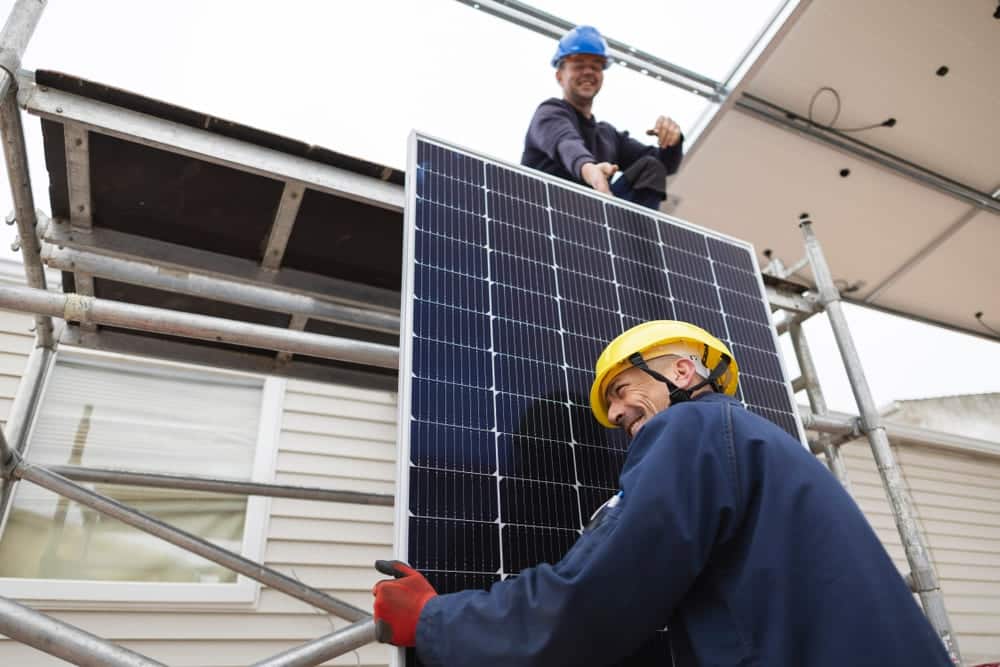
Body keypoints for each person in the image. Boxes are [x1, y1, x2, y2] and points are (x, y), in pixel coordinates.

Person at [373, 320, 955, 666]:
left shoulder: (691, 430)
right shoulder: (761, 446)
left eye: (623, 389)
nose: (618, 412)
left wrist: (434, 619)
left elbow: (596, 596)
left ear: (681, 372)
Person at [521, 25, 684, 211]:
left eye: (595, 66)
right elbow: (566, 144)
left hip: (598, 220)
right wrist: (590, 170)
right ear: (559, 76)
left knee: (651, 167)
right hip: (551, 218)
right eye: (579, 65)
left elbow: (665, 166)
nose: (588, 71)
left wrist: (673, 140)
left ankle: (633, 238)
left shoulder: (608, 135)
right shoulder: (550, 113)